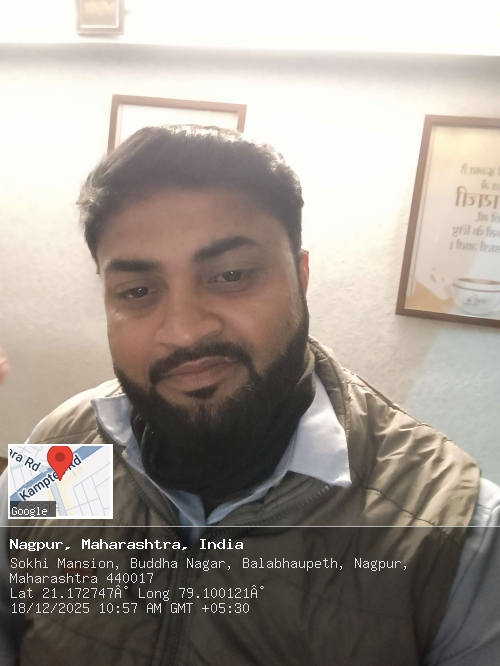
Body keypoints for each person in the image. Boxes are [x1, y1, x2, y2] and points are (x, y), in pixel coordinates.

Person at [0, 125, 499, 666]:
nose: (184, 331)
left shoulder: (450, 528)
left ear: (300, 276)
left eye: (231, 275)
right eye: (138, 291)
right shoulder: (68, 449)